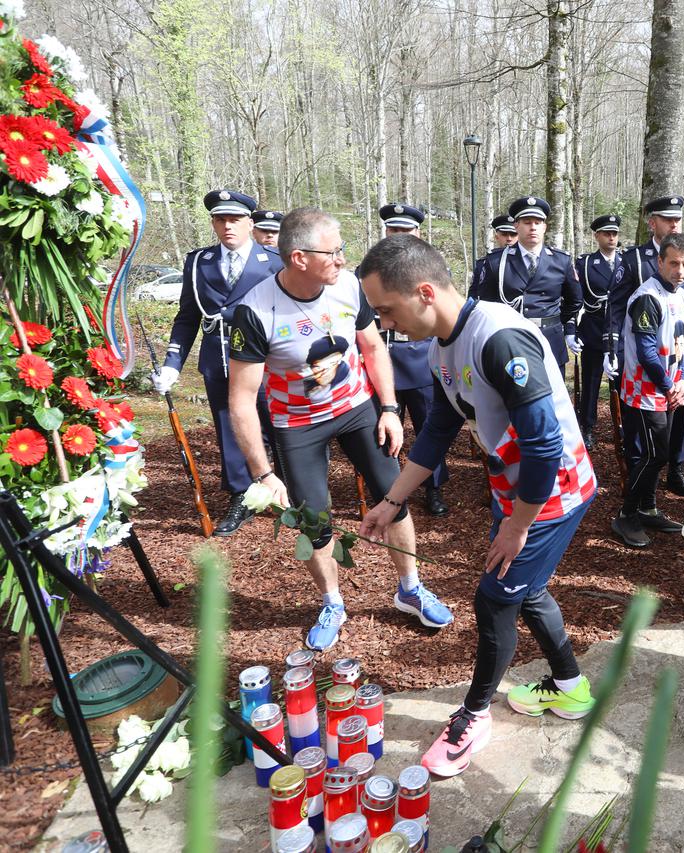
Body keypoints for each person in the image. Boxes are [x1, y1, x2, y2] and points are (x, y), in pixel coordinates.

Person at [356, 235, 597, 779]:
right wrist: (393, 500)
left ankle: (475, 715)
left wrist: (516, 527)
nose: (383, 323)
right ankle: (570, 688)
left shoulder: (500, 339)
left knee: (494, 599)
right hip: (515, 489)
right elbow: (439, 428)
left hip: (550, 493)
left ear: (423, 292)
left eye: (386, 310)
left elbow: (543, 446)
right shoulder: (444, 341)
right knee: (522, 588)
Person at [226, 208, 454, 651]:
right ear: (298, 258)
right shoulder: (255, 311)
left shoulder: (348, 286)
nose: (341, 260)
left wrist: (389, 407)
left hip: (356, 409)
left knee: (395, 495)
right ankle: (332, 602)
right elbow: (241, 399)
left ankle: (410, 588)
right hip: (297, 424)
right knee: (314, 522)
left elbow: (371, 345)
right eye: (332, 252)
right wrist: (262, 472)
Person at [153, 189, 283, 536]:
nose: (227, 226)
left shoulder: (273, 261)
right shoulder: (199, 261)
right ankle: (242, 494)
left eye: (235, 219)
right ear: (212, 222)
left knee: (277, 424)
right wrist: (172, 362)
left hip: (266, 357)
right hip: (219, 356)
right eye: (220, 219)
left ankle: (289, 492)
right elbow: (187, 315)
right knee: (230, 429)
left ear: (250, 222)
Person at [606, 195, 684, 497]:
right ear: (653, 222)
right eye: (666, 218)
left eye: (677, 218)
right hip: (646, 366)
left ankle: (674, 469)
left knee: (673, 427)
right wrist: (614, 347)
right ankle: (637, 498)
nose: (681, 269)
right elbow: (618, 306)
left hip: (676, 355)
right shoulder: (635, 259)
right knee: (646, 443)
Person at [611, 233, 684, 548]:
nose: (680, 270)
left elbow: (683, 344)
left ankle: (648, 507)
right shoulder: (648, 297)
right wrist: (669, 385)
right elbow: (647, 353)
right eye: (673, 263)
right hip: (644, 393)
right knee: (653, 454)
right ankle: (625, 514)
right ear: (659, 262)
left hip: (670, 391)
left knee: (660, 454)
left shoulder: (682, 295)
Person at [377, 202, 448, 516]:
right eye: (394, 230)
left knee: (428, 426)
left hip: (420, 357)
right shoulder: (370, 271)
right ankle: (391, 490)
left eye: (406, 230)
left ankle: (434, 489)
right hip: (385, 361)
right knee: (385, 431)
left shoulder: (434, 269)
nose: (400, 235)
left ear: (418, 233)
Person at [473, 196, 582, 373]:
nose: (533, 227)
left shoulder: (561, 261)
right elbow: (486, 305)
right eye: (527, 222)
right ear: (516, 226)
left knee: (553, 399)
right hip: (510, 340)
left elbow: (575, 300)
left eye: (538, 222)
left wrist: (552, 321)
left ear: (545, 227)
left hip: (550, 340)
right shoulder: (496, 261)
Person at [574, 214, 623, 450]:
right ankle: (588, 426)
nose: (611, 237)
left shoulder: (626, 262)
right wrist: (572, 329)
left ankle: (623, 425)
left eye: (614, 233)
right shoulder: (584, 263)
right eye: (606, 233)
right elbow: (574, 299)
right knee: (591, 382)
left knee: (622, 382)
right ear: (597, 236)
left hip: (620, 332)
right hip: (593, 329)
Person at [471, 215, 518, 291]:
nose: (509, 239)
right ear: (497, 237)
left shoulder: (527, 261)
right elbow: (475, 292)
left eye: (513, 234)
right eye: (504, 234)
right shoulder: (485, 263)